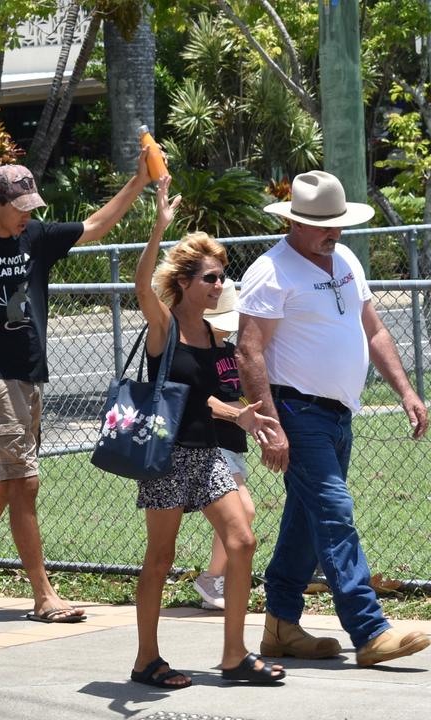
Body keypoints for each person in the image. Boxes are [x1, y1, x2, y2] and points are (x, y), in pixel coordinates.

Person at [0, 154, 151, 619]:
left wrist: (138, 181)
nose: (28, 215)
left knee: (6, 480)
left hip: (32, 375)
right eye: (19, 207)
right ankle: (43, 596)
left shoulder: (36, 237)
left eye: (32, 206)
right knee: (25, 482)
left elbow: (96, 225)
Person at [237, 170, 430, 667]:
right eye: (323, 225)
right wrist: (270, 425)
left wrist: (407, 390)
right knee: (334, 512)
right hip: (297, 413)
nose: (334, 233)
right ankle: (369, 631)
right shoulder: (271, 271)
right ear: (295, 223)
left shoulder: (343, 259)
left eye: (337, 223)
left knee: (307, 518)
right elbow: (249, 350)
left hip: (340, 415)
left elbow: (376, 331)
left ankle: (280, 624)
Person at [129, 177, 284, 687]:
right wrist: (158, 228)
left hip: (208, 455)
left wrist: (239, 415)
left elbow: (209, 399)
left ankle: (235, 656)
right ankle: (146, 659)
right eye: (210, 278)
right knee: (160, 558)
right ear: (187, 282)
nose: (219, 286)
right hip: (169, 456)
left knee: (242, 540)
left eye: (222, 277)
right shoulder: (165, 326)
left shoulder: (217, 334)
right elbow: (140, 281)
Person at [192, 283, 256, 612]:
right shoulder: (199, 351)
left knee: (244, 514)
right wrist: (237, 413)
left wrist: (253, 417)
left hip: (234, 443)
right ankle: (214, 579)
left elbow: (239, 393)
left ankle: (217, 580)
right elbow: (202, 398)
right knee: (242, 513)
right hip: (213, 443)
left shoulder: (230, 351)